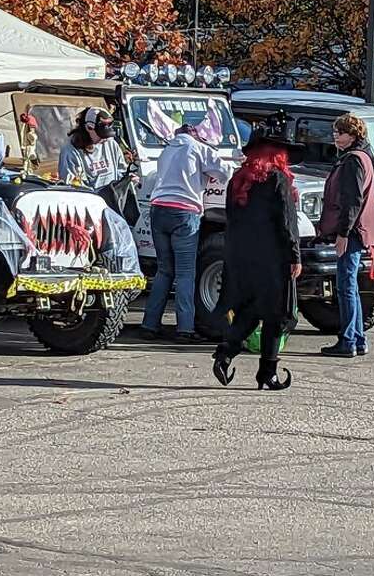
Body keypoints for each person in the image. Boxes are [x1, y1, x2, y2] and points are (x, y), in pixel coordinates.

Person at [212, 117, 303, 391]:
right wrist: (295, 256)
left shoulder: (238, 180)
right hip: (272, 258)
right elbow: (287, 222)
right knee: (277, 315)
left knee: (251, 308)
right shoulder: (278, 179)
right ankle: (268, 373)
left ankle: (226, 353)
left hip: (240, 257)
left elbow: (231, 219)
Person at [139, 124, 232, 342]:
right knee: (185, 272)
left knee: (164, 270)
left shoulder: (167, 149)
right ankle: (185, 328)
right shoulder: (199, 148)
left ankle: (149, 324)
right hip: (184, 212)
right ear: (195, 135)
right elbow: (225, 172)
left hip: (158, 209)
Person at [318, 113, 374, 358]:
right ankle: (357, 338)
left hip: (353, 231)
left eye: (340, 132)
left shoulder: (354, 160)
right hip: (359, 230)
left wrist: (343, 233)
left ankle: (347, 341)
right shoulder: (363, 157)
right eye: (335, 132)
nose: (336, 136)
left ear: (354, 135)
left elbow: (353, 201)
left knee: (345, 286)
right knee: (350, 285)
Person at [58, 107, 131, 192]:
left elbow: (121, 171)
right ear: (89, 128)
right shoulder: (70, 151)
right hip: (90, 201)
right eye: (102, 134)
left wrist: (128, 179)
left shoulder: (111, 143)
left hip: (113, 198)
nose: (106, 139)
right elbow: (72, 187)